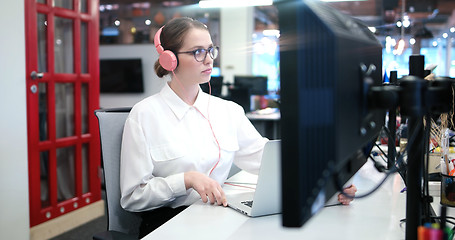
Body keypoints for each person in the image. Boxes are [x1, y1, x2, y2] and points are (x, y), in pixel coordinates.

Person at [119, 17, 356, 238]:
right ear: (170, 60)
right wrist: (186, 179)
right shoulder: (145, 115)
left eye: (211, 50)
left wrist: (328, 182)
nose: (210, 59)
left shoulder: (228, 111)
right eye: (198, 52)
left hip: (215, 216)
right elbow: (132, 198)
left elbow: (267, 159)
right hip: (168, 223)